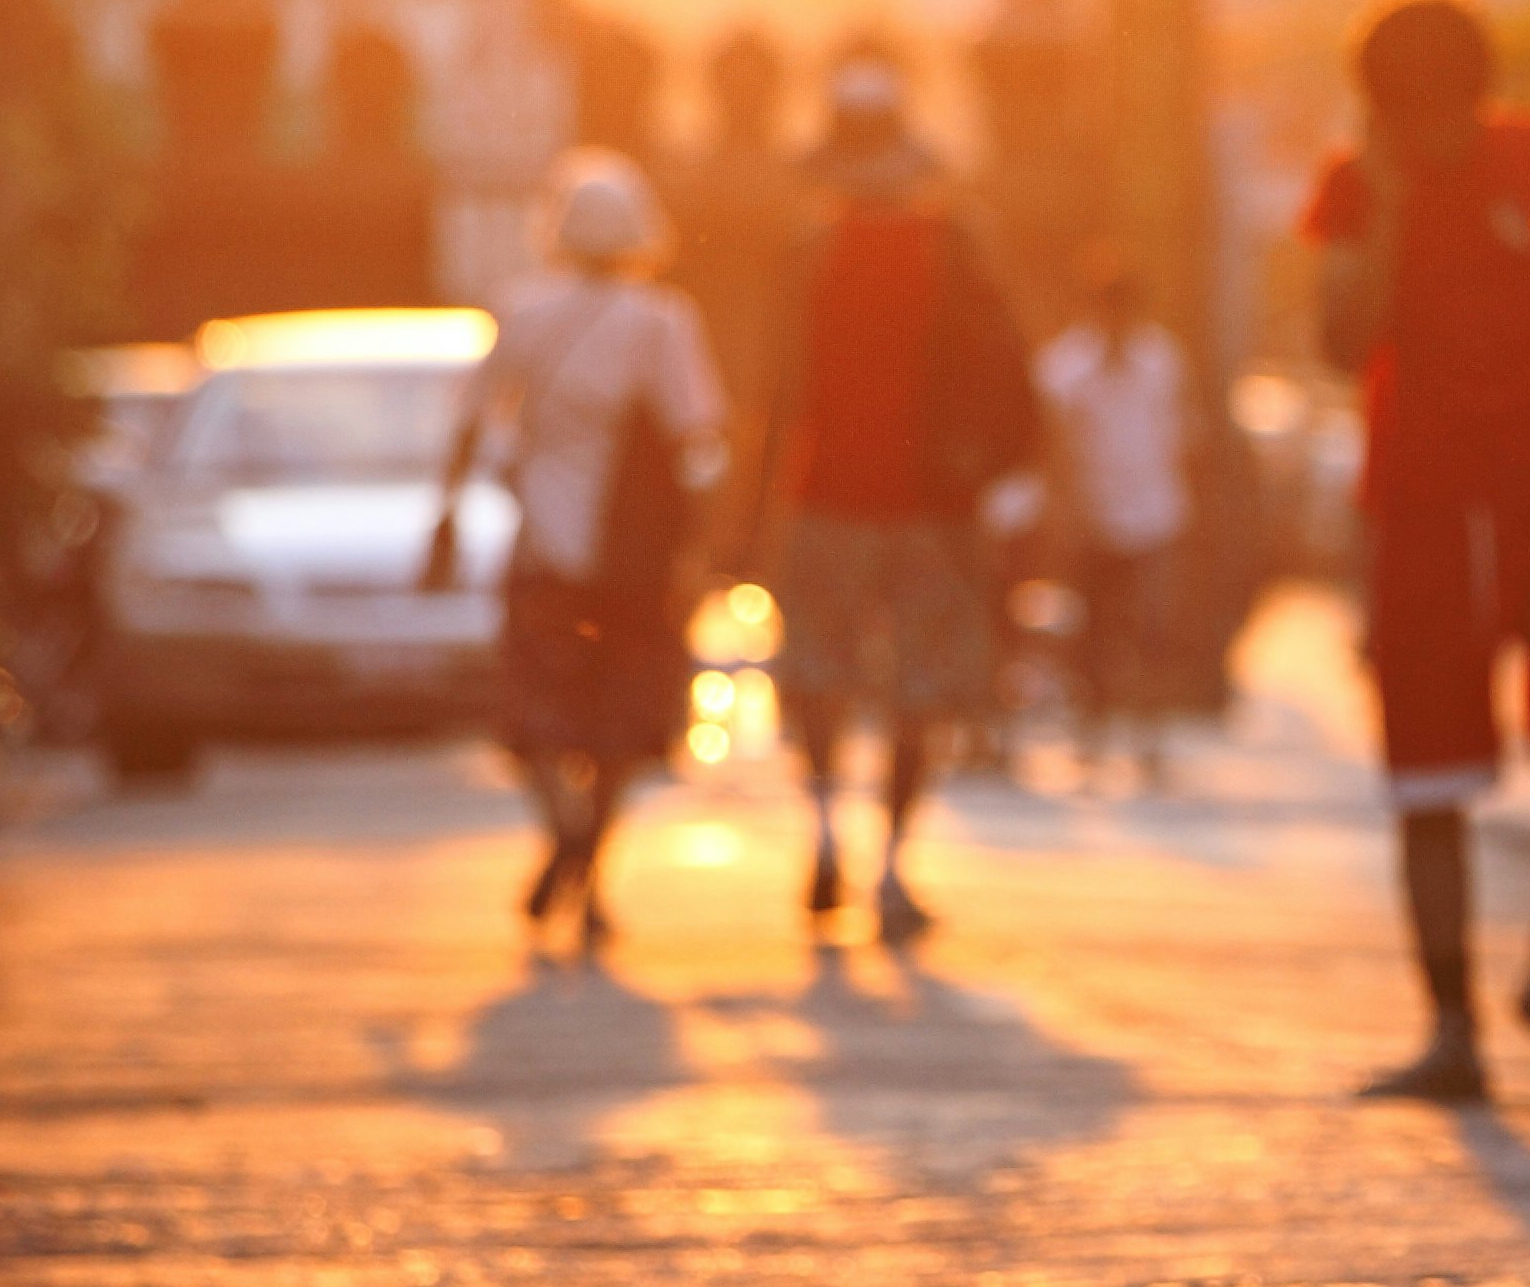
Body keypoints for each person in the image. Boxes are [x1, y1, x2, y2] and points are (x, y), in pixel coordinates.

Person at [1308, 0, 1530, 1104]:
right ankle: (1452, 1027)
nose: (1432, 140)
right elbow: (1341, 341)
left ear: (1478, 99)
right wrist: (1394, 206)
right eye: (1408, 124)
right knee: (1430, 775)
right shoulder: (1358, 188)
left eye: (1445, 118)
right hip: (1423, 505)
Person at [764, 55, 1034, 944]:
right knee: (920, 691)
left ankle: (826, 831)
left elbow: (780, 389)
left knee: (818, 681)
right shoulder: (954, 242)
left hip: (828, 498)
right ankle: (891, 867)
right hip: (930, 506)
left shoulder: (809, 251)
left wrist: (750, 511)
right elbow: (1008, 365)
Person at [442, 150, 730, 954]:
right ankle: (591, 870)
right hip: (631, 564)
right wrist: (699, 545)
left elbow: (470, 421)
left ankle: (564, 831)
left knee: (537, 708)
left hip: (542, 549)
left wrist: (444, 512)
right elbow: (698, 442)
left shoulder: (522, 313)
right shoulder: (663, 321)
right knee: (619, 718)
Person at [1032, 244, 1194, 791]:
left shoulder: (1160, 361)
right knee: (1093, 633)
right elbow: (1058, 448)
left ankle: (1150, 739)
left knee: (1151, 631)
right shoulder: (1066, 366)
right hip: (1092, 518)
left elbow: (1175, 436)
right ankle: (1092, 737)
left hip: (1152, 515)